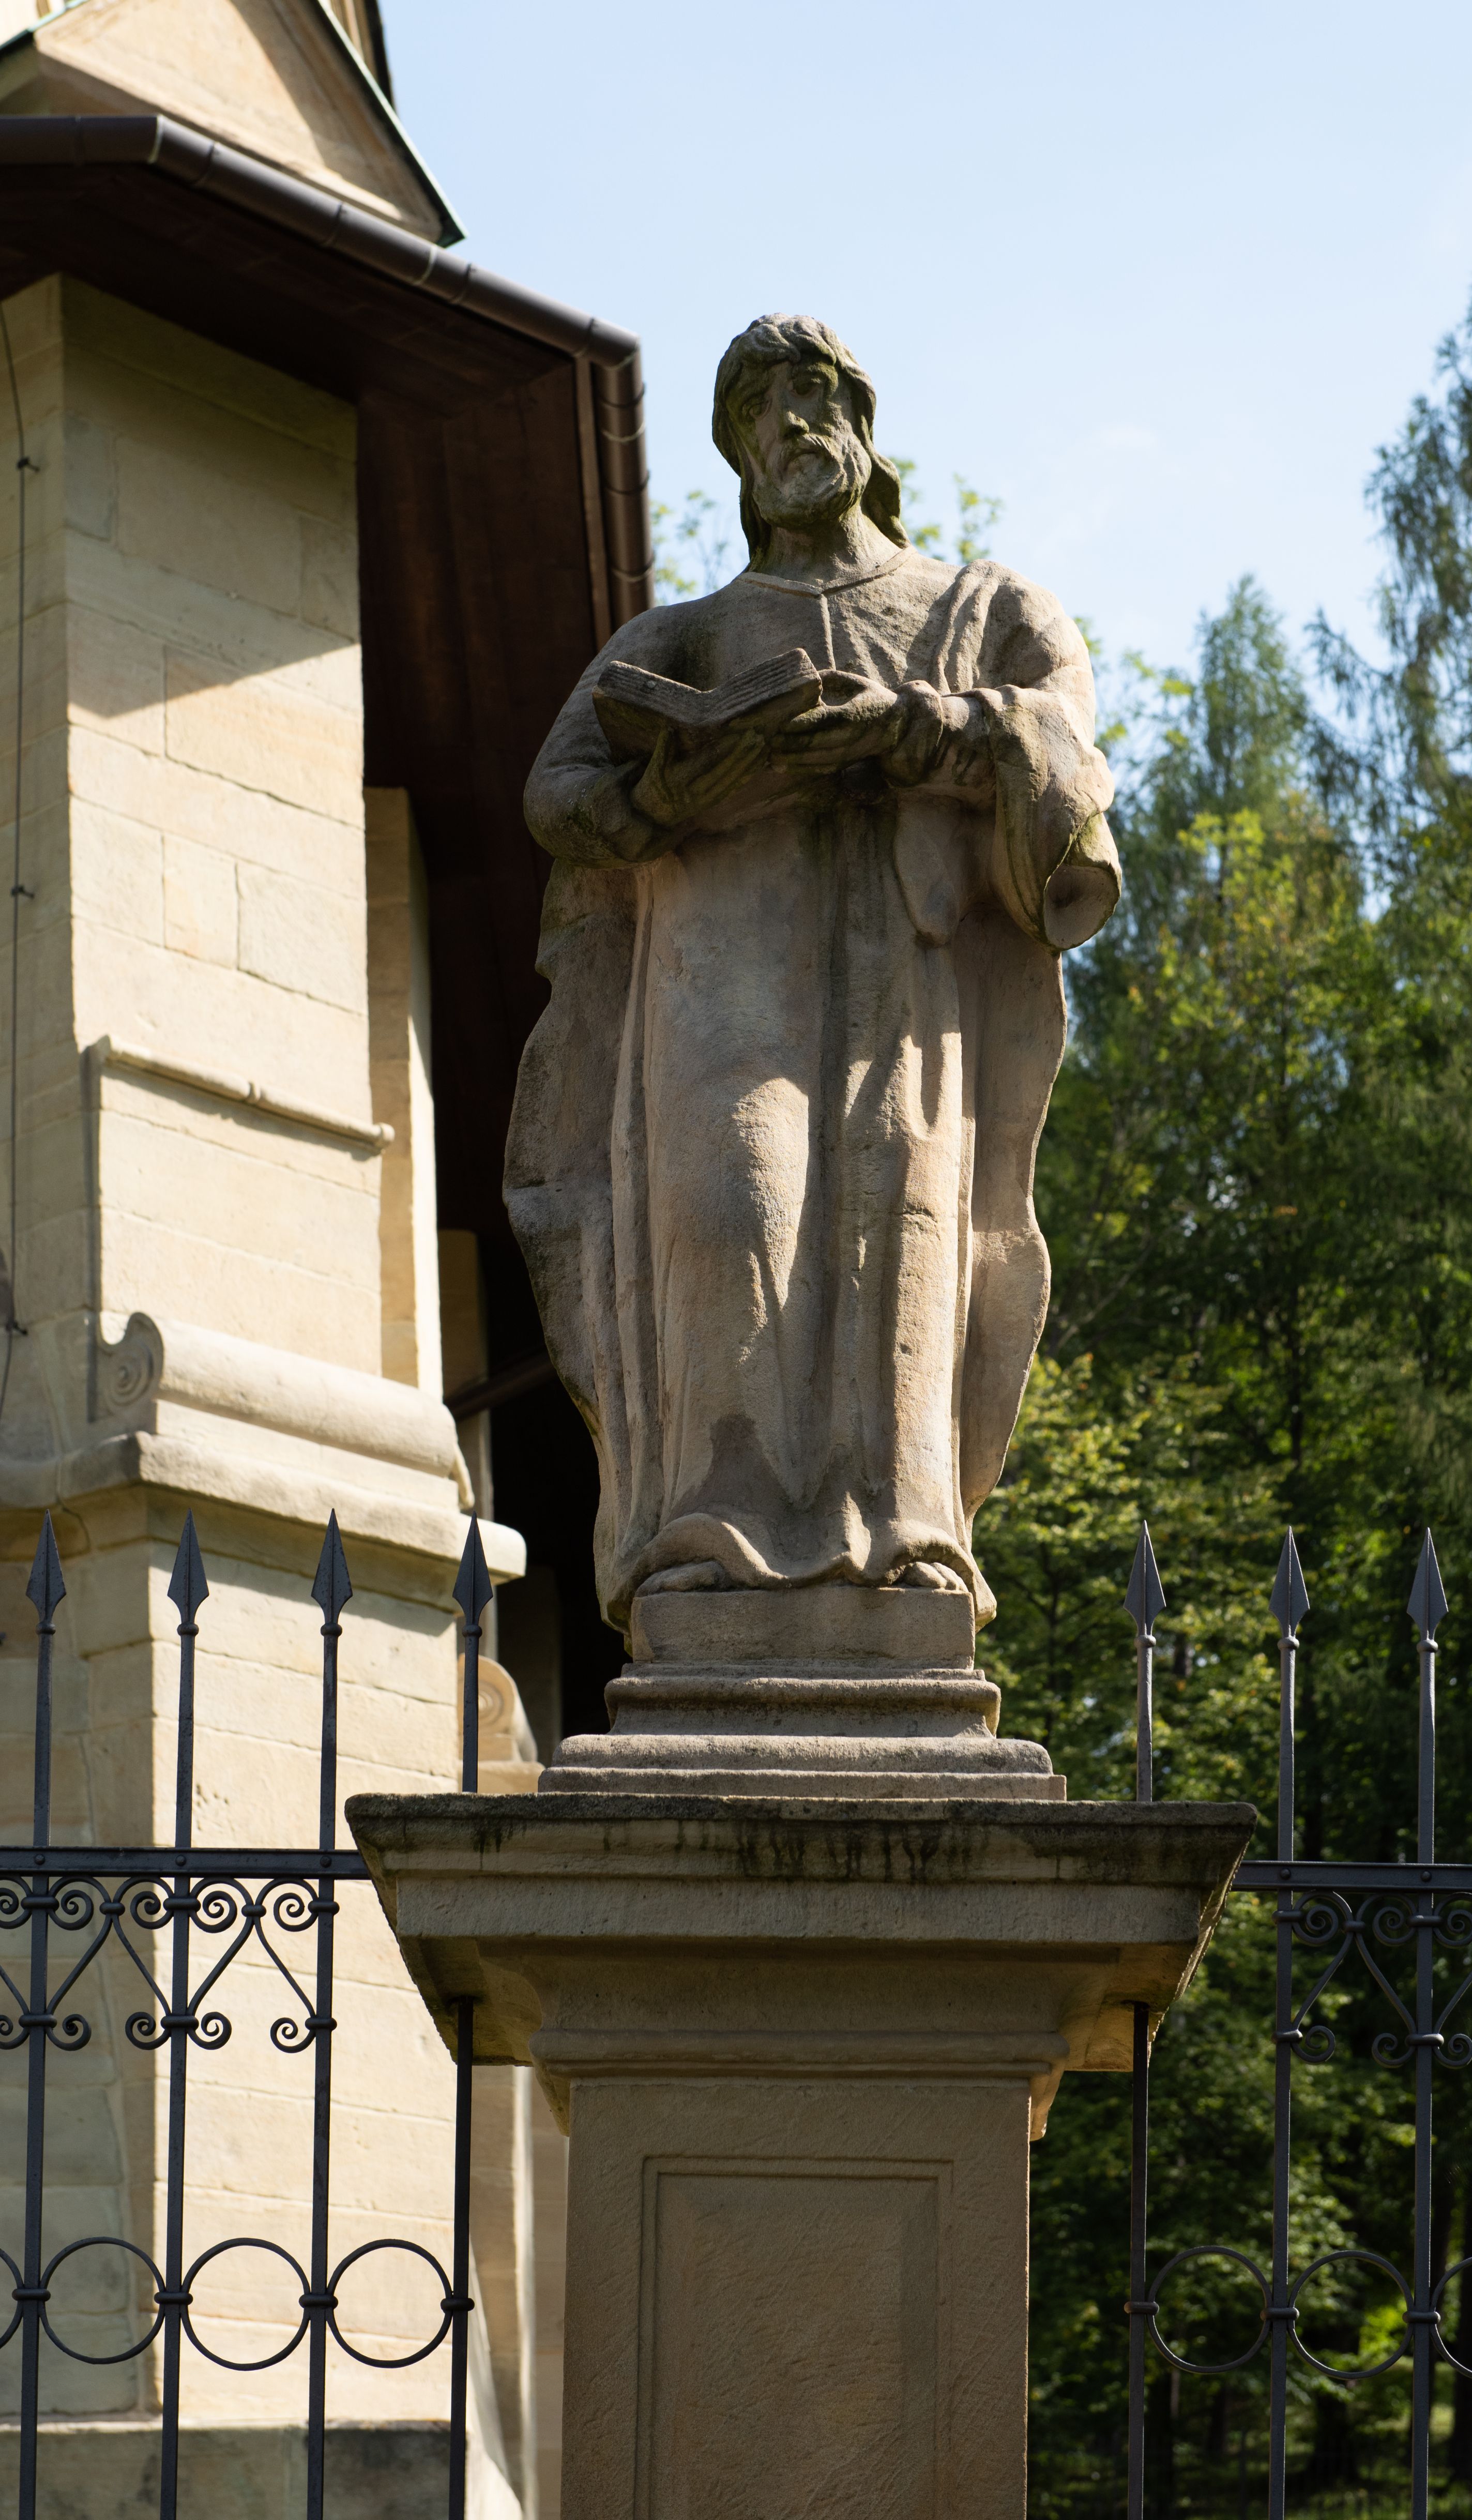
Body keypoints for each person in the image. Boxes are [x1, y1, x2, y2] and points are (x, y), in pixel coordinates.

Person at [508, 314, 1120, 1634]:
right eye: (754, 415)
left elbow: (1067, 747)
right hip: (716, 988)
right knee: (737, 1206)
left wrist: (919, 727)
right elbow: (557, 790)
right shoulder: (684, 635)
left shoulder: (979, 609)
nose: (786, 426)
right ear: (737, 458)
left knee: (896, 1225)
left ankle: (902, 1536)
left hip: (905, 986)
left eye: (806, 394)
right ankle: (709, 1533)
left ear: (859, 416)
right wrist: (666, 793)